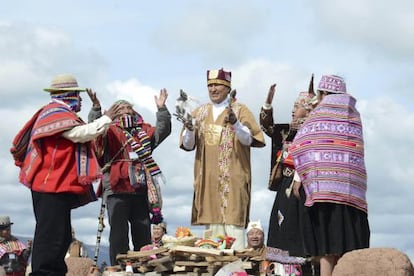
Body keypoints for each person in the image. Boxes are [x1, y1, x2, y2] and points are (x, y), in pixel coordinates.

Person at [10, 73, 120, 275]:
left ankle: (54, 271)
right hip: (50, 184)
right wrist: (107, 118)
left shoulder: (60, 113)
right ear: (67, 94)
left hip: (57, 185)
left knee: (60, 235)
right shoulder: (55, 113)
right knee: (50, 234)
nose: (79, 100)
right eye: (76, 95)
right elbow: (79, 134)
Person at [290, 75, 370, 276]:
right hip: (351, 191)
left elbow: (301, 145)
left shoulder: (319, 115)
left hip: (323, 191)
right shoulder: (353, 115)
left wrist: (300, 178)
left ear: (323, 93)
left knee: (326, 245)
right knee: (347, 243)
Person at [180, 68, 265, 250]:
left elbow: (249, 139)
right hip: (208, 183)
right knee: (211, 238)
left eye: (217, 85)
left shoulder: (240, 110)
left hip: (233, 181)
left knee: (234, 233)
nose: (213, 89)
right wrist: (188, 128)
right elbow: (188, 145)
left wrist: (235, 123)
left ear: (227, 87)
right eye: (210, 85)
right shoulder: (200, 112)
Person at [89, 89, 171, 266]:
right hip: (116, 187)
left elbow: (162, 132)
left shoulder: (143, 130)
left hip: (139, 188)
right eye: (121, 108)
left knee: (142, 231)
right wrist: (96, 110)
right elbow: (93, 132)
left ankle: (143, 267)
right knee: (118, 233)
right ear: (114, 112)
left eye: (128, 108)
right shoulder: (109, 129)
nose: (125, 110)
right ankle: (119, 267)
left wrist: (162, 110)